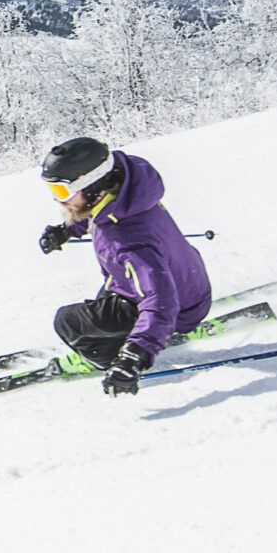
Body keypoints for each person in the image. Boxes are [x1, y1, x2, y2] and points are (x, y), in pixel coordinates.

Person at [36, 136, 213, 396]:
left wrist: (134, 357)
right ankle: (138, 333)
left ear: (92, 184)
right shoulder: (128, 189)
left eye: (62, 192)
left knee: (68, 322)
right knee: (100, 303)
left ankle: (110, 358)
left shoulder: (129, 239)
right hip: (186, 281)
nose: (58, 200)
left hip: (177, 307)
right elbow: (98, 211)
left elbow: (160, 300)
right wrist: (67, 230)